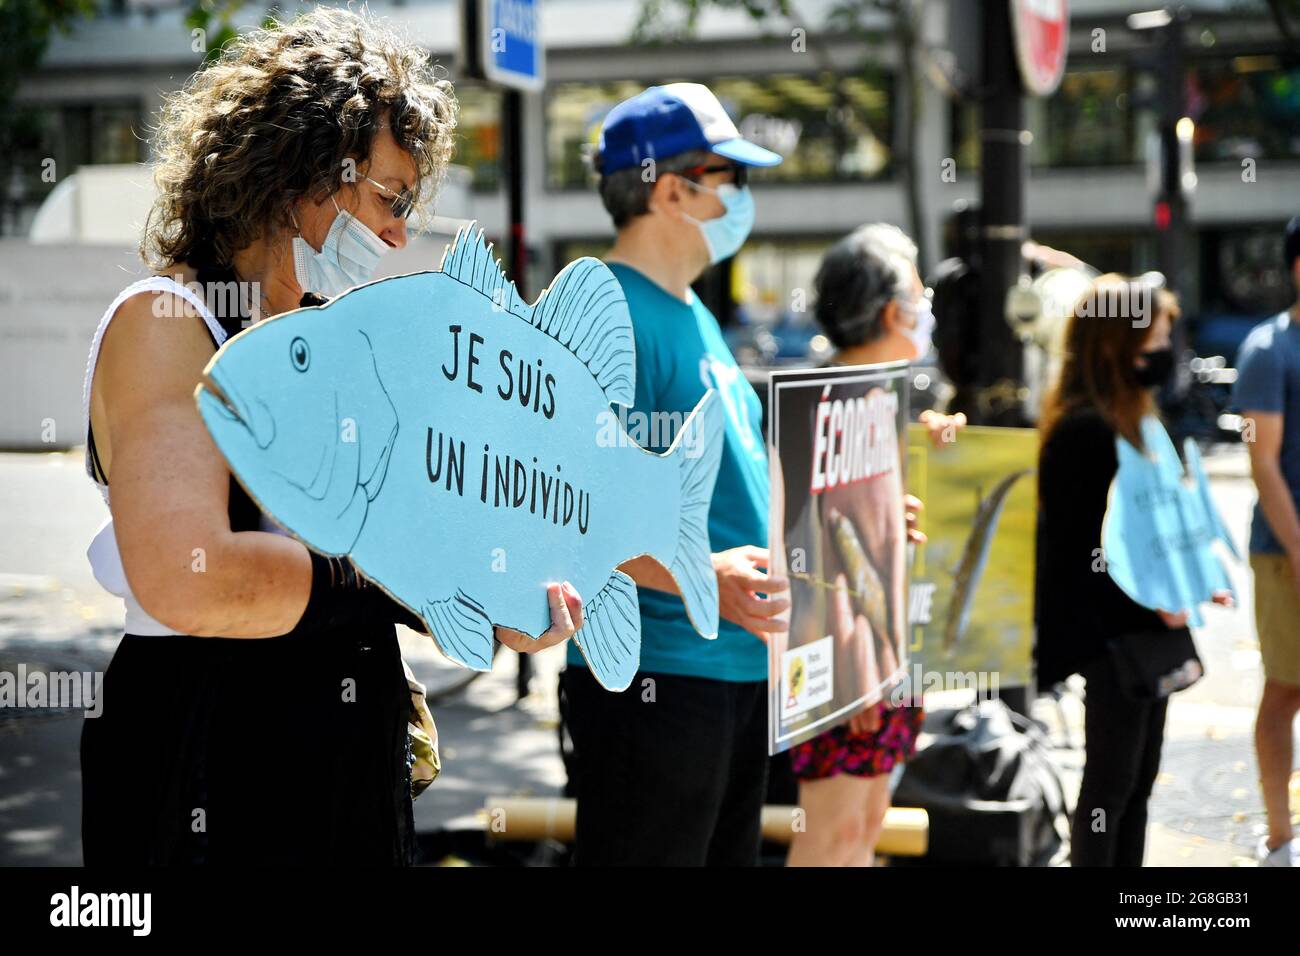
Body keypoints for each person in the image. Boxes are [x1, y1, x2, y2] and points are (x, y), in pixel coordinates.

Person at [80, 8, 584, 866]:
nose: (397, 233)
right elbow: (189, 579)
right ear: (301, 164)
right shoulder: (170, 321)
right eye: (388, 198)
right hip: (210, 759)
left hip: (345, 762)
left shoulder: (335, 334)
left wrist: (501, 604)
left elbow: (423, 541)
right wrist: (387, 574)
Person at [557, 83, 791, 866]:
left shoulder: (692, 312)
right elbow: (568, 513)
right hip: (654, 681)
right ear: (672, 188)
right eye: (735, 179)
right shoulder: (607, 311)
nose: (744, 199)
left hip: (727, 674)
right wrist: (700, 579)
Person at [780, 223, 960, 866]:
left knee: (861, 830)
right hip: (847, 667)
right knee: (834, 835)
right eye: (920, 296)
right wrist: (853, 677)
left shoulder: (876, 395)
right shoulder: (819, 404)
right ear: (890, 311)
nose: (927, 311)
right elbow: (805, 549)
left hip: (880, 655)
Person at [1036, 274, 1222, 867]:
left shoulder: (1135, 419)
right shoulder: (1086, 429)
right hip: (1113, 638)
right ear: (1117, 345)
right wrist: (1156, 603)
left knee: (1136, 784)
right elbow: (1082, 558)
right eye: (1156, 341)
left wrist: (1194, 577)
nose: (1165, 355)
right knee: (1111, 788)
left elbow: (1158, 525)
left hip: (1144, 630)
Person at [1231, 215, 1300, 867]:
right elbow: (1262, 461)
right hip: (1286, 553)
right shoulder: (1267, 350)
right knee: (1287, 687)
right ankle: (1280, 836)